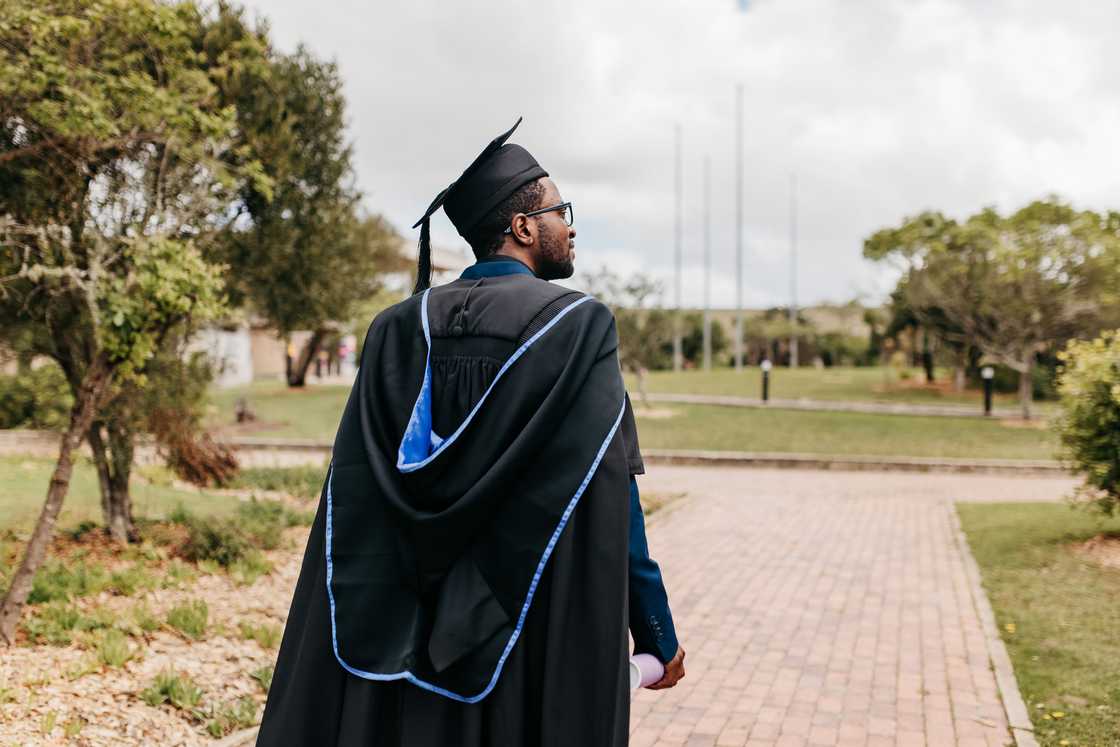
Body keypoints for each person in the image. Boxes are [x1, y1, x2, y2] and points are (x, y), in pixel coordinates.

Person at [257, 118, 684, 747]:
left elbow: (352, 491)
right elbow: (614, 498)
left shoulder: (394, 330)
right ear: (522, 227)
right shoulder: (578, 329)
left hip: (397, 627)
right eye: (561, 211)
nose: (571, 226)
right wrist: (656, 635)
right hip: (522, 626)